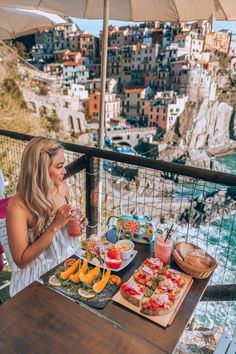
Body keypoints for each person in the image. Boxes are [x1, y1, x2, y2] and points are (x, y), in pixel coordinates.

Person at [6, 137, 87, 297]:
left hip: (69, 265)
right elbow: (21, 261)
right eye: (59, 166)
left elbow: (65, 234)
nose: (65, 171)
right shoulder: (17, 206)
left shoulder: (62, 188)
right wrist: (54, 226)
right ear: (40, 170)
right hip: (36, 279)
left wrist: (77, 222)